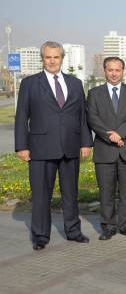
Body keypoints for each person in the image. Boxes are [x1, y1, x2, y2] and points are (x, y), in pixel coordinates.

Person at [14, 41, 92, 250]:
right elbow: (22, 116)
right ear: (42, 58)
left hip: (70, 146)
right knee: (40, 195)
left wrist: (86, 142)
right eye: (48, 57)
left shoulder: (75, 83)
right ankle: (40, 236)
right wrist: (21, 146)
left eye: (56, 57)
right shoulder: (29, 83)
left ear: (62, 58)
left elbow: (81, 116)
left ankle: (74, 231)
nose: (52, 61)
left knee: (71, 193)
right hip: (40, 148)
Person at [87, 57, 126, 240]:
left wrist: (120, 134)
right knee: (106, 192)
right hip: (104, 149)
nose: (113, 73)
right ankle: (108, 227)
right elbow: (92, 118)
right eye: (110, 70)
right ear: (104, 71)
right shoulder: (94, 93)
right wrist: (110, 136)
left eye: (117, 70)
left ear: (123, 71)